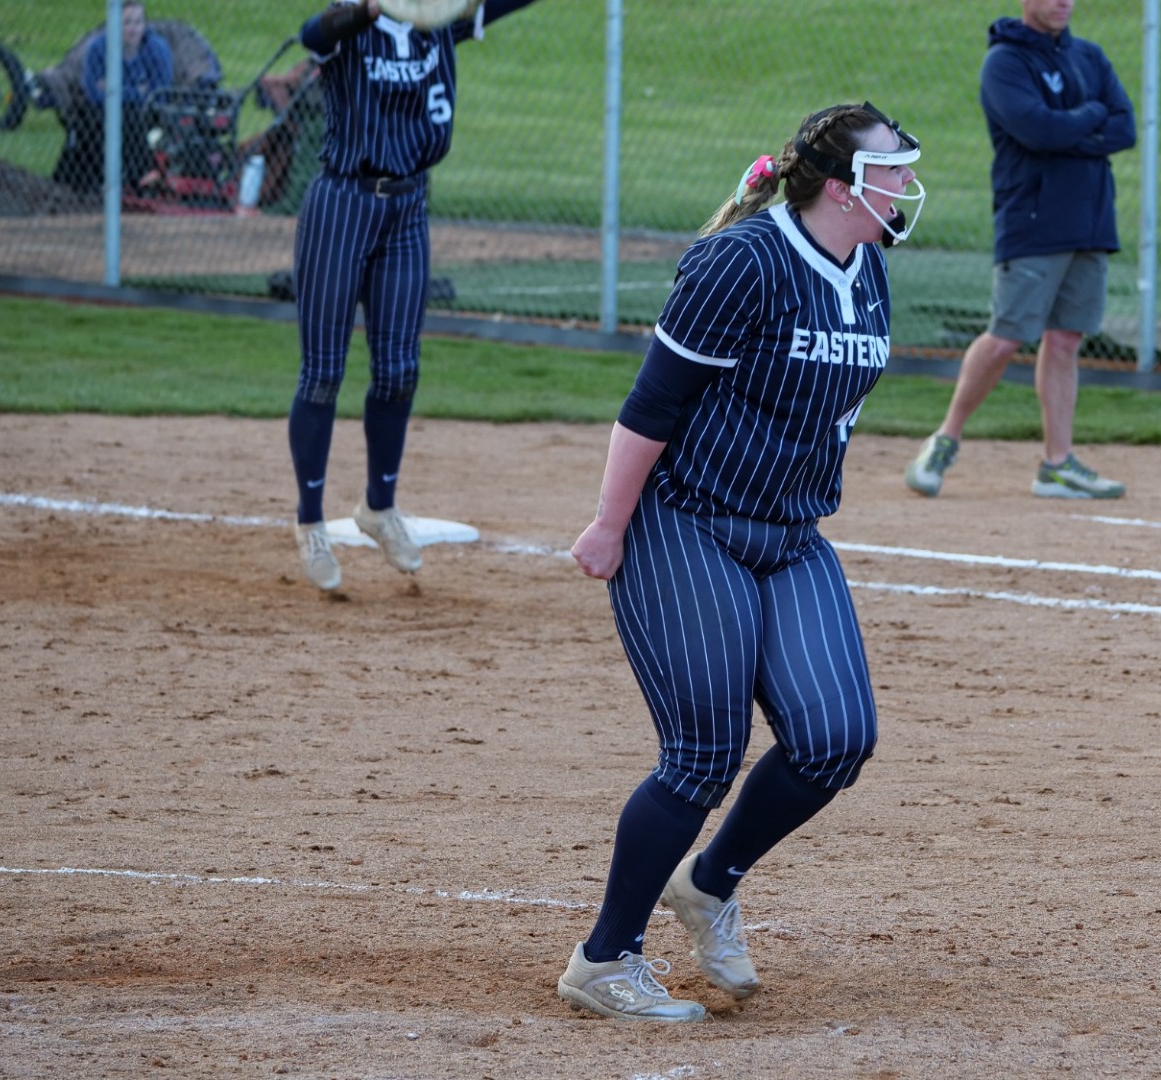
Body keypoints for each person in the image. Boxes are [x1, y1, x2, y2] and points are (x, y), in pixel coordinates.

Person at [557, 103, 924, 1022]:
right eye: (889, 169)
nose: (905, 183)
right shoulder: (743, 262)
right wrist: (609, 525)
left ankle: (709, 882)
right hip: (687, 521)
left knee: (837, 738)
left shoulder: (867, 268)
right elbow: (651, 406)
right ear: (839, 187)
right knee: (703, 754)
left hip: (790, 533)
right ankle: (604, 960)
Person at [288, 0, 544, 592]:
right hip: (342, 204)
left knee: (400, 371)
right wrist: (376, 5)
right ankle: (310, 523)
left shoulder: (438, 19)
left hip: (407, 209)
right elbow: (312, 34)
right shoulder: (355, 21)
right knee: (322, 373)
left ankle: (379, 507)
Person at [902, 0, 1134, 501]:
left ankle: (1057, 465)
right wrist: (1091, 114)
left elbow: (1125, 127)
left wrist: (1069, 126)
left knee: (1066, 339)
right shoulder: (1004, 62)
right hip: (1032, 220)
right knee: (1006, 337)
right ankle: (944, 440)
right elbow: (1038, 131)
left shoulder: (1089, 56)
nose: (1063, 2)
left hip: (1091, 219)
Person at [63, 1, 173, 194]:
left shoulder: (158, 49)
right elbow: (94, 95)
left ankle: (137, 178)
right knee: (94, 120)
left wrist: (113, 90)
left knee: (131, 115)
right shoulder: (97, 49)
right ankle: (97, 184)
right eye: (127, 22)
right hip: (102, 114)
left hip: (144, 116)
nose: (133, 29)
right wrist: (136, 91)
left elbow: (159, 96)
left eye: (138, 22)